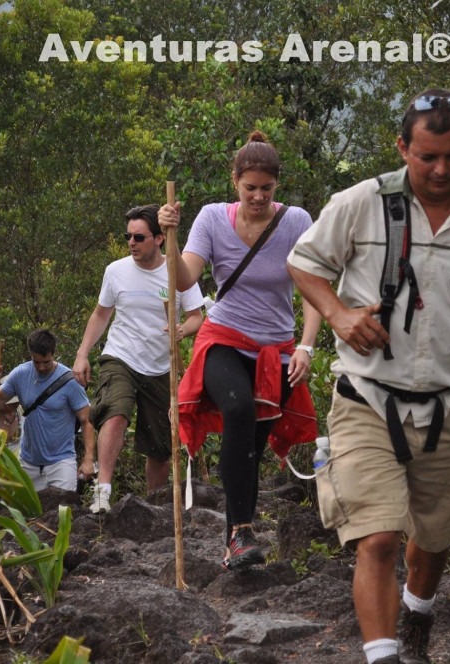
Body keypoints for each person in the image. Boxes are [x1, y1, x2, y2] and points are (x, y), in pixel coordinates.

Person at [286, 89, 450, 664]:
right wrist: (339, 314)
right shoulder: (359, 203)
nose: (440, 169)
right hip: (366, 397)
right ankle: (383, 656)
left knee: (434, 538)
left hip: (449, 401)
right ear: (402, 146)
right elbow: (305, 263)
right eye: (426, 156)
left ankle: (418, 617)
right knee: (377, 535)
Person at [158, 131, 323, 571]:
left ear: (276, 187)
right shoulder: (212, 219)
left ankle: (237, 538)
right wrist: (169, 236)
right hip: (225, 338)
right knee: (238, 410)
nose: (258, 196)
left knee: (254, 440)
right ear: (235, 182)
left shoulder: (296, 222)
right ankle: (242, 531)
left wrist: (306, 345)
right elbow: (182, 281)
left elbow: (313, 289)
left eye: (266, 189)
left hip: (277, 350)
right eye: (250, 188)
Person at [73, 204, 205, 514]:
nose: (131, 242)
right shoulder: (116, 271)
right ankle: (102, 492)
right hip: (121, 355)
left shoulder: (177, 271)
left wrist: (182, 330)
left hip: (161, 365)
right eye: (128, 236)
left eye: (139, 237)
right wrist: (82, 354)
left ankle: (153, 506)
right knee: (115, 411)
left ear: (159, 239)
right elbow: (101, 314)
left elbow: (197, 316)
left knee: (159, 445)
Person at [0, 329, 96, 492]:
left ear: (53, 354)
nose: (41, 367)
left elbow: (87, 420)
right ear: (31, 355)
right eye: (36, 362)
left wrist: (88, 458)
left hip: (61, 462)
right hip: (28, 462)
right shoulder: (20, 374)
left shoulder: (69, 382)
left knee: (63, 512)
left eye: (46, 362)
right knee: (28, 516)